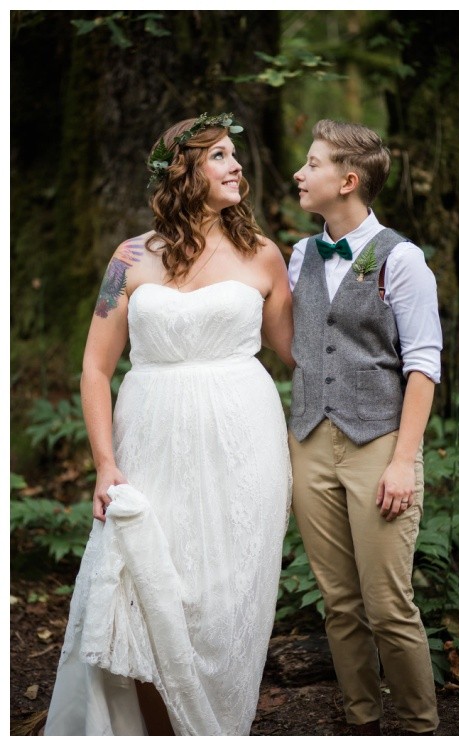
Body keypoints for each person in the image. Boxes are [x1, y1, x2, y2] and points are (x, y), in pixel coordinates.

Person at [44, 113, 293, 736]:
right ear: (185, 171)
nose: (237, 167)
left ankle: (219, 726)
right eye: (220, 156)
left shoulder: (265, 256)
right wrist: (106, 463)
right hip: (150, 436)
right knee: (147, 585)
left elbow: (300, 356)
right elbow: (95, 371)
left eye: (235, 156)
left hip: (244, 441)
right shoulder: (129, 258)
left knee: (225, 595)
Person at [286, 120, 442, 735]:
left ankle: (418, 722)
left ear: (347, 181)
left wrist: (404, 461)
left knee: (387, 604)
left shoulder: (401, 260)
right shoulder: (298, 255)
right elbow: (295, 344)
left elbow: (423, 366)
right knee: (340, 603)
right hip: (310, 444)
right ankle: (359, 719)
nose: (300, 173)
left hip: (379, 442)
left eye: (312, 163)